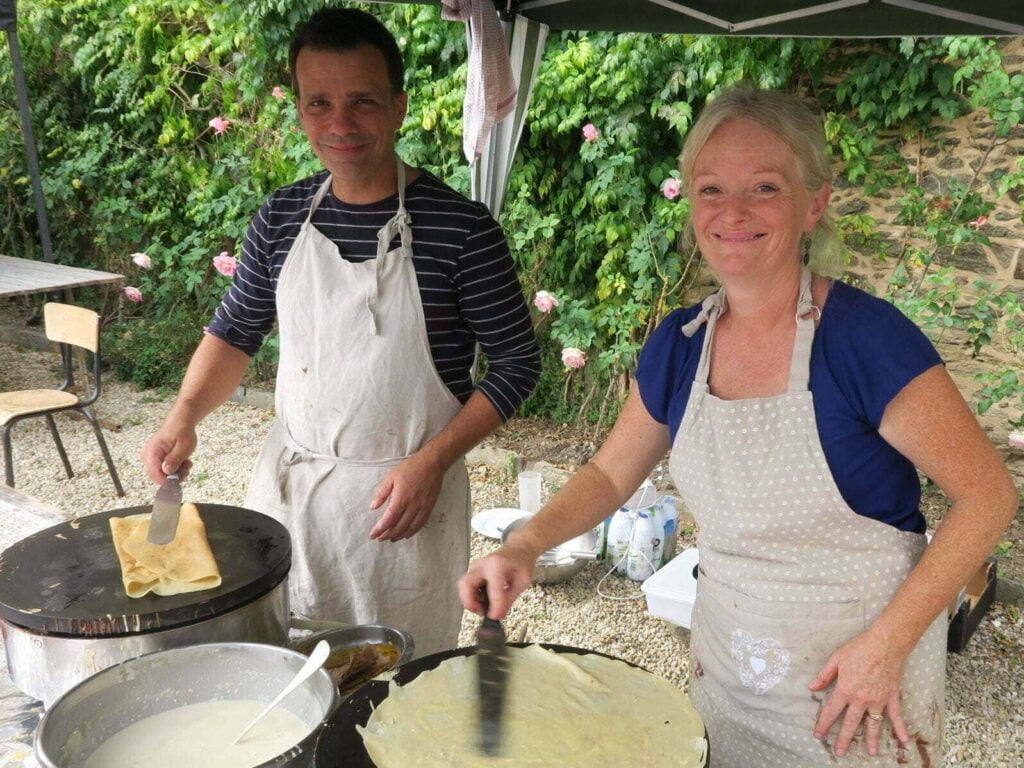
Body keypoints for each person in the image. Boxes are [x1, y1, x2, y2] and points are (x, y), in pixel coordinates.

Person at [459, 84, 1017, 765]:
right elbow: (608, 473)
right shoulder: (680, 345)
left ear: (814, 203)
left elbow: (988, 495)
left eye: (765, 188)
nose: (734, 213)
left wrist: (887, 646)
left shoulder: (865, 341)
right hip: (728, 678)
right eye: (712, 190)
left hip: (859, 694)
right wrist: (524, 544)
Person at [143, 7, 540, 657]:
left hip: (404, 508)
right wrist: (184, 415)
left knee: (397, 681)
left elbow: (518, 363)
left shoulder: (462, 230)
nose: (340, 124)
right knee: (287, 665)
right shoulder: (282, 216)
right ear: (300, 110)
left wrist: (433, 461)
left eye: (363, 101)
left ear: (399, 106)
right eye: (319, 103)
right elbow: (235, 331)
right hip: (292, 496)